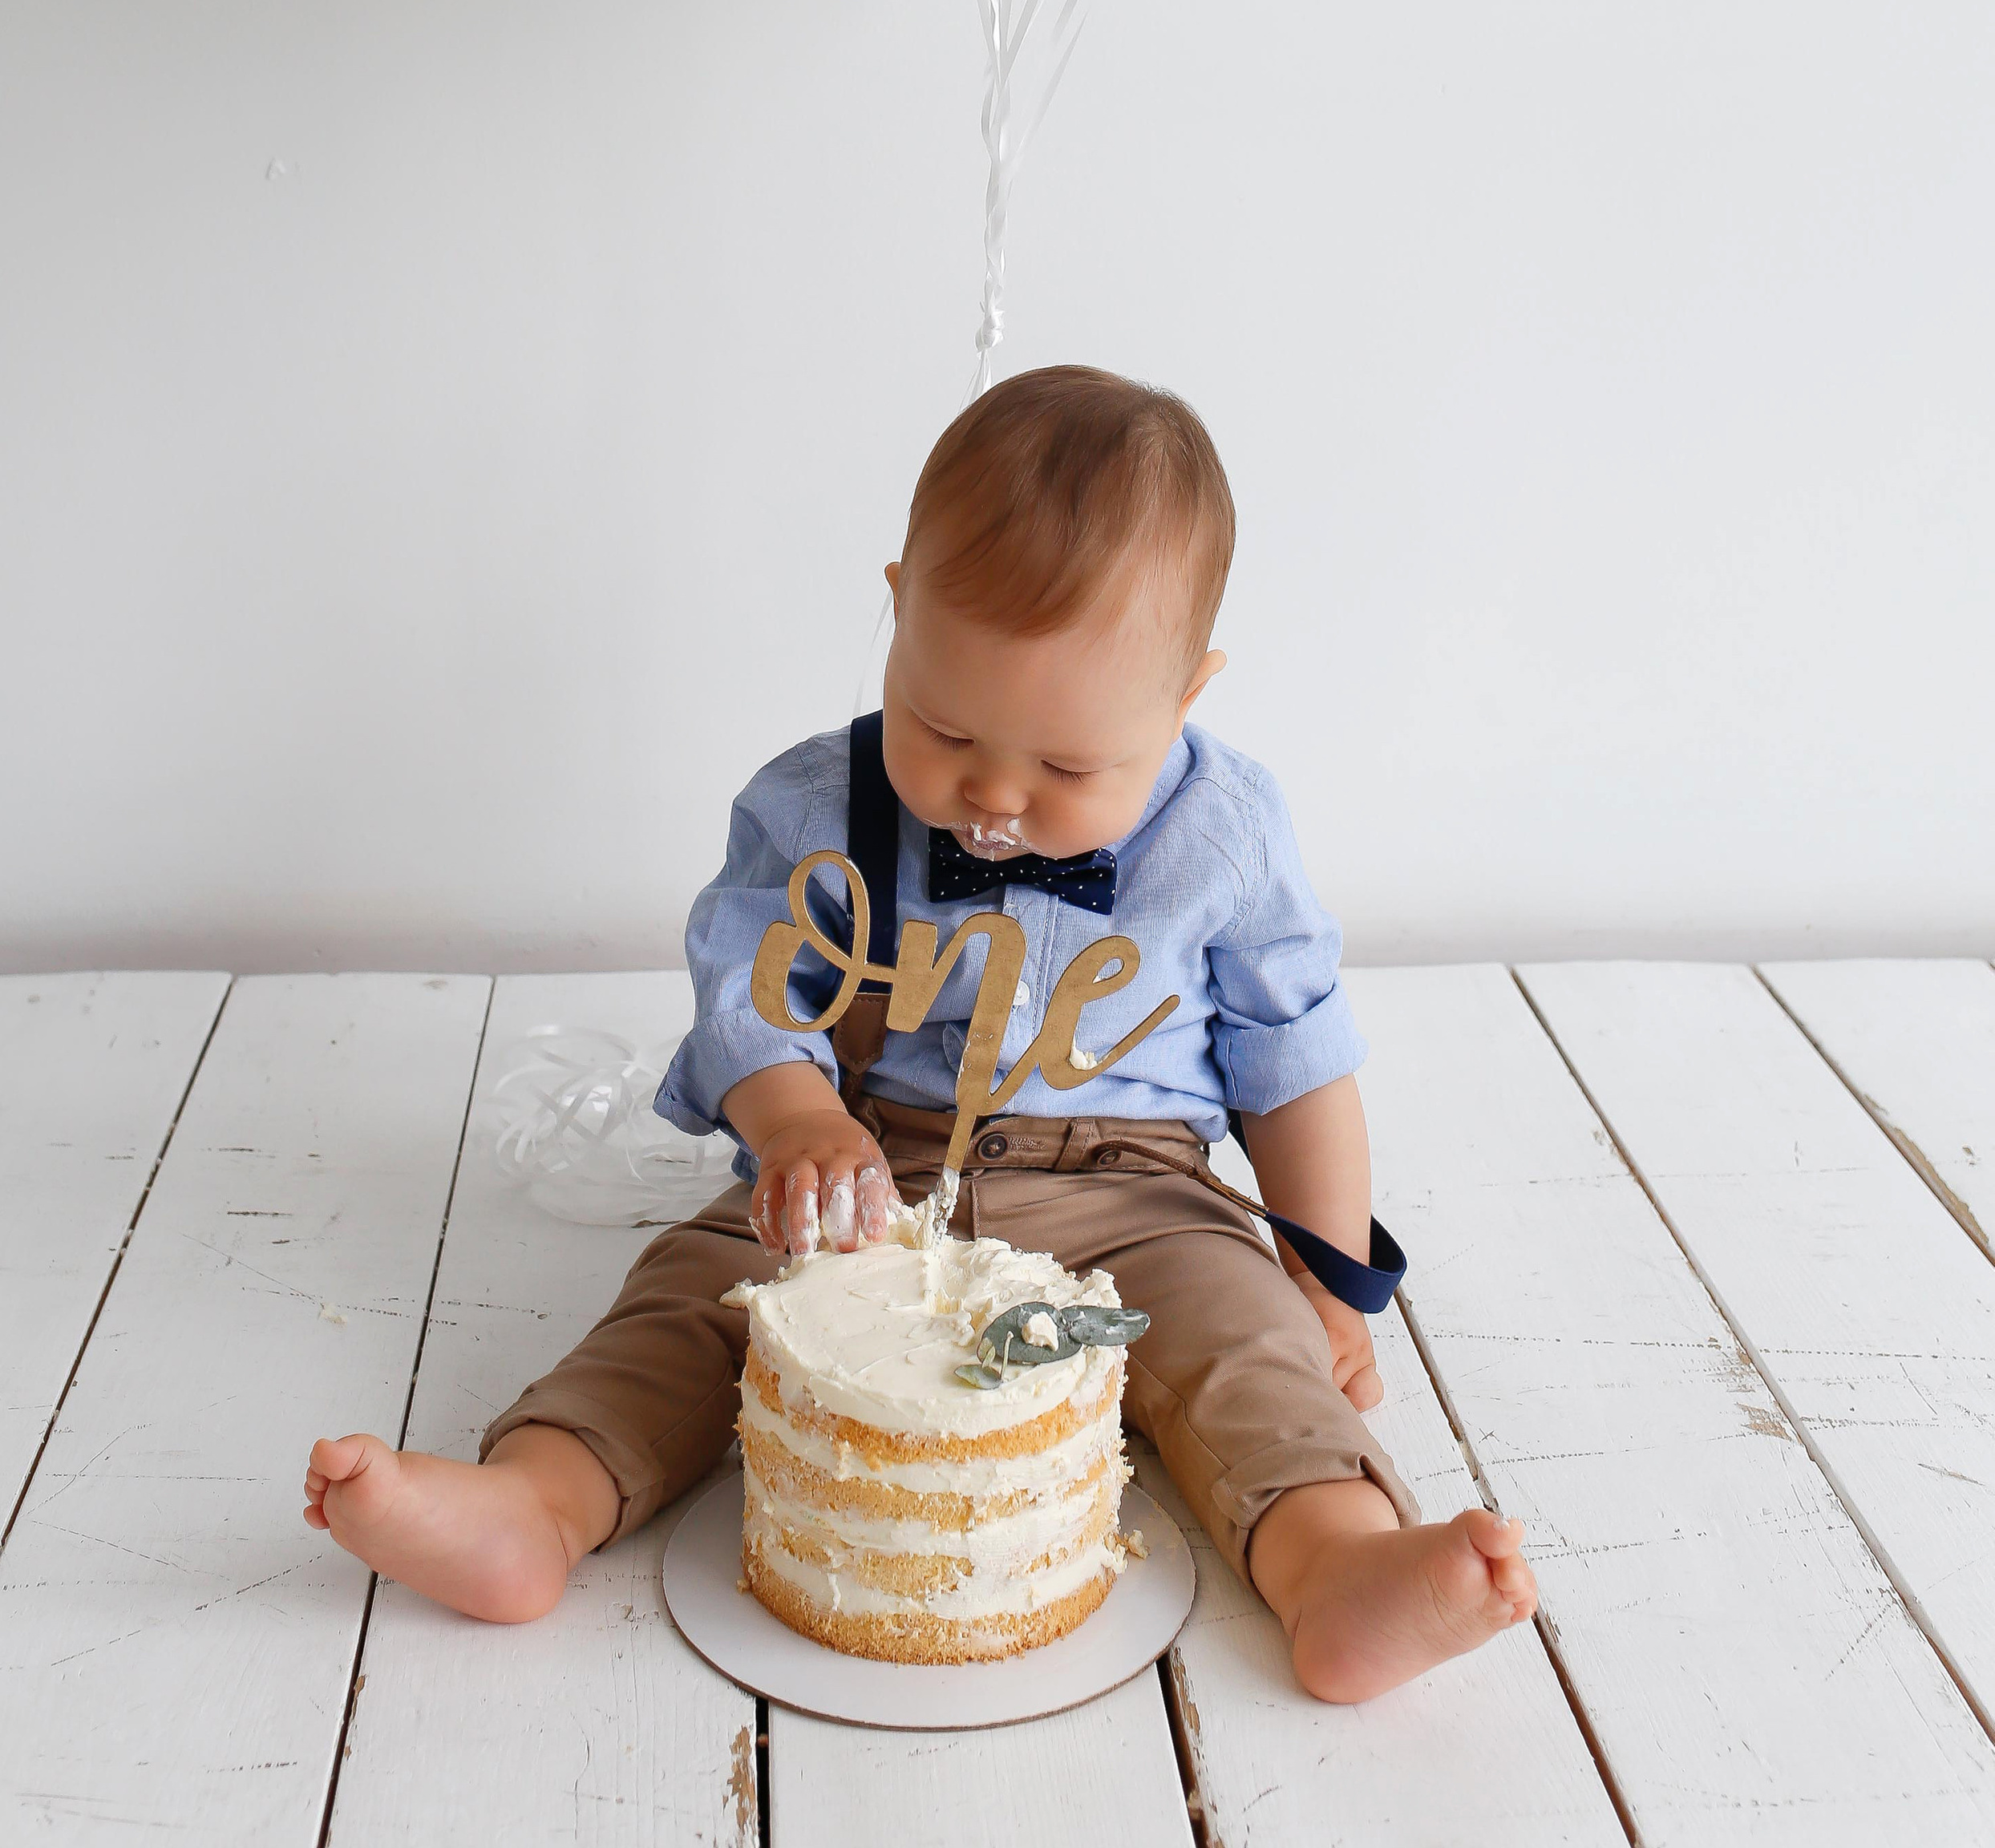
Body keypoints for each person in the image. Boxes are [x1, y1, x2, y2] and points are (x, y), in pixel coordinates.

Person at [303, 365, 1535, 1700]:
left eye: (1068, 768)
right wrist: (797, 1124)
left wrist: (1327, 1273)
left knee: (1250, 1354)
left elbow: (1296, 1062)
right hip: (862, 1165)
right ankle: (533, 1501)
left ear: (1189, 693)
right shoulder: (813, 807)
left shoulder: (1227, 838)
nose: (994, 796)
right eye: (943, 725)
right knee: (693, 1302)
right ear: (897, 611)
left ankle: (1334, 1563)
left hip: (1133, 1187)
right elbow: (746, 995)